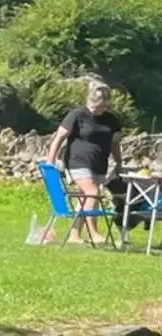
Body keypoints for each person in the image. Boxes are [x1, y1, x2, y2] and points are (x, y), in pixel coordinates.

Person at [45, 81, 123, 244]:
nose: (98, 110)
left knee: (84, 199)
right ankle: (93, 233)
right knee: (92, 193)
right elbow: (59, 138)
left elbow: (115, 144)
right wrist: (51, 160)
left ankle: (74, 236)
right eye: (95, 107)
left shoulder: (111, 119)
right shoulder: (77, 115)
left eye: (102, 107)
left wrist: (119, 163)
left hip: (99, 163)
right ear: (88, 102)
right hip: (76, 161)